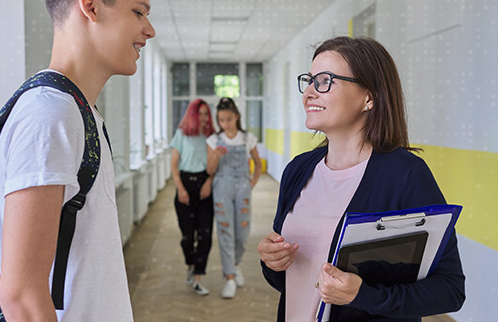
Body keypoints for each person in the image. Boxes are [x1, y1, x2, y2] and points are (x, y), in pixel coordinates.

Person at [0, 0, 165, 321]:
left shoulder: (76, 113)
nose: (149, 29)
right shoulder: (50, 115)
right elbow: (21, 296)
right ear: (90, 6)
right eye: (137, 11)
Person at [257, 36, 465, 321]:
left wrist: (364, 296)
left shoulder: (405, 175)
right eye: (309, 80)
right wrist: (273, 263)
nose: (309, 93)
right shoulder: (298, 169)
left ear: (369, 97)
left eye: (325, 80)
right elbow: (293, 284)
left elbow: (450, 289)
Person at [206, 97, 262, 299]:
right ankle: (229, 277)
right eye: (221, 120)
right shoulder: (213, 140)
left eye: (228, 119)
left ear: (236, 117)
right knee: (225, 231)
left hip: (243, 189)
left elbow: (257, 162)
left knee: (243, 232)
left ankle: (236, 264)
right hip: (221, 187)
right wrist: (216, 156)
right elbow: (209, 169)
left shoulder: (248, 138)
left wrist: (253, 181)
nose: (225, 124)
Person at [170, 99, 217, 296]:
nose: (205, 118)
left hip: (205, 184)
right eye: (202, 114)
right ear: (193, 114)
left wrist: (209, 181)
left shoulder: (212, 136)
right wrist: (180, 188)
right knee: (187, 237)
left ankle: (198, 276)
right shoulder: (181, 134)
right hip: (185, 184)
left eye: (207, 113)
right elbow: (174, 165)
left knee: (205, 235)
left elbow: (215, 164)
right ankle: (191, 263)